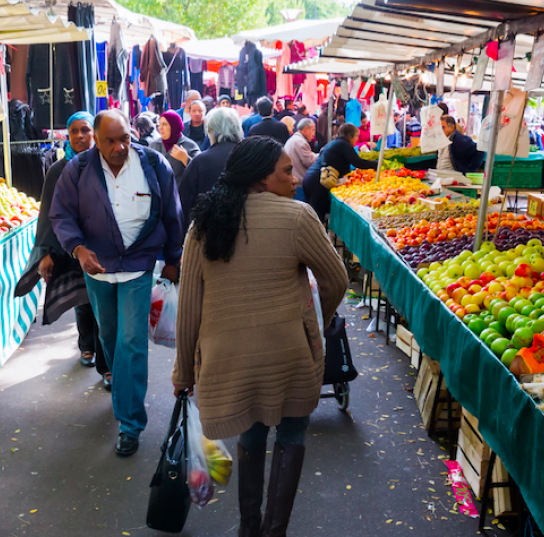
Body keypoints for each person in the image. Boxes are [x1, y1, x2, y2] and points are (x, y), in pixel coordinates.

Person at [172, 137, 347, 537]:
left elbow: (189, 307)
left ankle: (249, 529)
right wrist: (314, 320)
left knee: (251, 430)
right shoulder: (299, 217)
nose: (295, 179)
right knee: (291, 433)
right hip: (289, 356)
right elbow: (335, 279)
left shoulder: (204, 225)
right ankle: (274, 531)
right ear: (261, 178)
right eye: (287, 172)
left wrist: (184, 371)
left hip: (228, 361)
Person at [50, 109, 184, 457]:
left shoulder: (154, 165)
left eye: (124, 138)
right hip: (97, 270)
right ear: (95, 139)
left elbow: (172, 211)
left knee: (131, 340)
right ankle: (120, 383)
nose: (120, 146)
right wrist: (78, 249)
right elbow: (61, 215)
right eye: (110, 140)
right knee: (109, 338)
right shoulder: (77, 170)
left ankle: (130, 423)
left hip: (138, 267)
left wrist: (173, 259)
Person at [16, 111, 112, 388]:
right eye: (74, 132)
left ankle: (107, 368)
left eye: (85, 130)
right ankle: (86, 346)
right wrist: (45, 252)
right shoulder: (58, 170)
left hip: (100, 248)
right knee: (82, 301)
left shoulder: (104, 164)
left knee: (102, 308)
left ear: (94, 133)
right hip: (69, 248)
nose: (80, 136)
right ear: (67, 136)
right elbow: (47, 211)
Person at [178, 107, 243, 228]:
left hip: (209, 231)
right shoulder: (251, 155)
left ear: (211, 131)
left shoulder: (200, 162)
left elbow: (185, 203)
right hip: (248, 227)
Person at [303, 123, 380, 222]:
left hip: (311, 178)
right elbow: (357, 162)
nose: (357, 139)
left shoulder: (334, 143)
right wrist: (377, 164)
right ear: (350, 135)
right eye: (356, 136)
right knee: (316, 219)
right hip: (318, 182)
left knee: (312, 216)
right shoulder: (343, 144)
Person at [150, 111, 201, 183]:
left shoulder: (190, 145)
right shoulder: (153, 145)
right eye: (159, 124)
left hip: (181, 192)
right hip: (160, 192)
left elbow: (200, 171)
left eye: (164, 124)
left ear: (174, 126)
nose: (160, 128)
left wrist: (185, 159)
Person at [284, 118, 318, 201]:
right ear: (306, 129)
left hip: (293, 180)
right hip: (299, 183)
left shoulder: (294, 139)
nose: (313, 134)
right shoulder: (300, 142)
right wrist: (322, 154)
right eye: (313, 130)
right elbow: (309, 161)